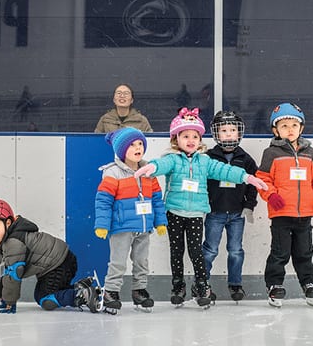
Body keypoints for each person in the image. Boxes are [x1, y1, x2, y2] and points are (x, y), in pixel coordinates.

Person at [134, 107, 267, 308]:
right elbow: (161, 164)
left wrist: (246, 177)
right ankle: (178, 285)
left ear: (200, 139)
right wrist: (152, 167)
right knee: (176, 251)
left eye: (195, 136)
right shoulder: (172, 158)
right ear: (175, 139)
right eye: (185, 136)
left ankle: (202, 284)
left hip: (196, 214)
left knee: (197, 252)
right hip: (175, 213)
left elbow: (225, 170)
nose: (191, 140)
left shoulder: (205, 161)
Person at [255, 103, 313, 308]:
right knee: (280, 252)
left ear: (301, 128)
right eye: (284, 125)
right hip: (281, 214)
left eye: (294, 125)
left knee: (305, 252)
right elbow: (262, 180)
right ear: (275, 130)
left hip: (305, 213)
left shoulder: (310, 153)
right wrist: (271, 196)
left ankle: (308, 284)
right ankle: (274, 285)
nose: (290, 129)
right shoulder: (271, 153)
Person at [0, 199, 103, 314]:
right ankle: (79, 288)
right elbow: (6, 272)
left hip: (59, 264)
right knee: (48, 294)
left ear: (8, 223)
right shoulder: (6, 241)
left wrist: (10, 302)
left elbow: (14, 273)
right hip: (61, 262)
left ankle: (83, 295)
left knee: (45, 299)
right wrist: (4, 298)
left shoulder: (13, 242)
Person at [94, 127, 167, 314]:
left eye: (140, 143)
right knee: (118, 262)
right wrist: (102, 225)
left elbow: (157, 199)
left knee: (142, 261)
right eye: (132, 145)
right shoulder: (113, 173)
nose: (137, 147)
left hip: (143, 227)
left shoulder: (149, 171)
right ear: (121, 150)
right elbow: (103, 200)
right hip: (122, 227)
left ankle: (139, 290)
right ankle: (111, 292)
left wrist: (160, 222)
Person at [202, 111, 258, 302]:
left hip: (236, 213)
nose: (228, 134)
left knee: (235, 250)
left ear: (239, 133)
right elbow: (201, 182)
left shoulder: (246, 159)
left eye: (233, 130)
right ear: (216, 133)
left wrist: (249, 205)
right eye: (224, 130)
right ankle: (203, 283)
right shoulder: (208, 157)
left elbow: (253, 184)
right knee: (210, 250)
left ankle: (235, 284)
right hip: (215, 213)